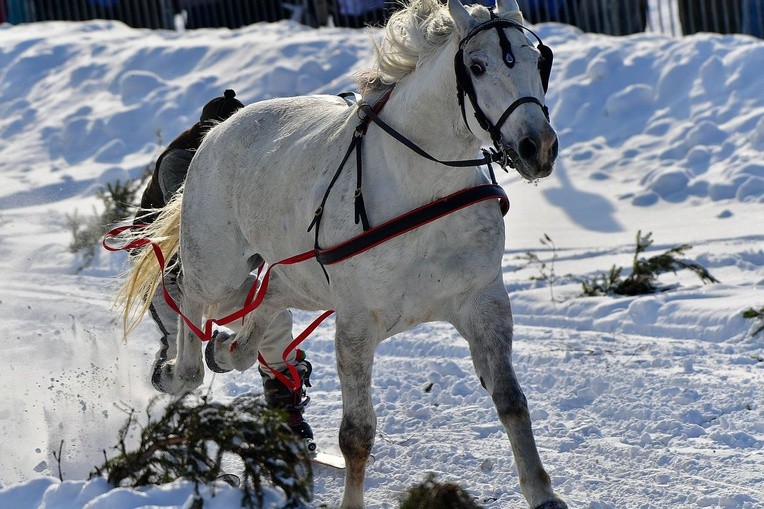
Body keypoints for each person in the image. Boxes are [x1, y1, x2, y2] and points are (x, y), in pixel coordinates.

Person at [134, 89, 314, 444]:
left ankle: (283, 413)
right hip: (168, 275)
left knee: (274, 321)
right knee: (178, 352)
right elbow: (198, 230)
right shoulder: (178, 162)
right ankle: (169, 414)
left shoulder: (247, 175)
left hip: (220, 276)